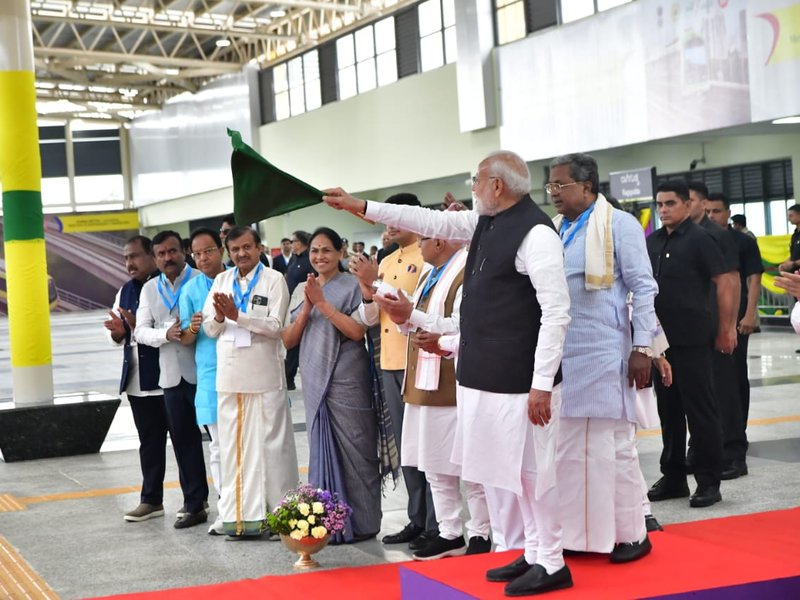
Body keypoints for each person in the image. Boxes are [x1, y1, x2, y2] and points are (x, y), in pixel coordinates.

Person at [323, 150, 574, 596]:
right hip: (484, 376)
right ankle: (533, 549)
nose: (471, 187)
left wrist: (541, 384)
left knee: (534, 471)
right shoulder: (485, 222)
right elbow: (427, 221)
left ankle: (552, 560)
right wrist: (361, 206)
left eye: (476, 180)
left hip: (520, 382)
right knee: (510, 474)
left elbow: (556, 314)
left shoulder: (537, 235)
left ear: (497, 186)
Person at [548, 153, 657, 562]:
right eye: (551, 187)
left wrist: (642, 346)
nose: (554, 193)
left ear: (587, 186)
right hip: (566, 354)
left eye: (561, 185)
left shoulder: (620, 225)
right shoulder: (557, 228)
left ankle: (632, 534)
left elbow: (644, 288)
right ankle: (581, 536)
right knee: (573, 451)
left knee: (613, 448)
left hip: (605, 350)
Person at [373, 239, 492, 560]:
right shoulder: (430, 274)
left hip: (454, 377)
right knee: (434, 462)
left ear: (439, 241)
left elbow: (463, 325)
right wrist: (402, 317)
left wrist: (415, 317)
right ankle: (450, 531)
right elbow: (415, 321)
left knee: (470, 463)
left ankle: (480, 531)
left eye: (423, 239)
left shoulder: (466, 271)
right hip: (423, 376)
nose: (419, 245)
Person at [347, 193, 437, 551]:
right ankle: (416, 518)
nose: (390, 224)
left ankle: (437, 521)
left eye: (397, 217)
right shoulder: (385, 260)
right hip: (389, 361)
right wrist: (367, 288)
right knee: (407, 446)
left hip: (421, 361)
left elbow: (413, 307)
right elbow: (371, 317)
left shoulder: (428, 256)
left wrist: (376, 283)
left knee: (429, 444)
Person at [282, 227, 382, 543]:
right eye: (314, 251)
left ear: (340, 252)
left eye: (326, 250)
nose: (320, 256)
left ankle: (364, 522)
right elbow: (288, 340)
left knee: (358, 448)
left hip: (348, 378)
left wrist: (323, 303)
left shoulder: (354, 285)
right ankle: (329, 522)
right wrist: (309, 306)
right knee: (321, 448)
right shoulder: (301, 290)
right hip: (313, 379)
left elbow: (355, 331)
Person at [203, 226, 298, 538]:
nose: (241, 254)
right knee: (233, 448)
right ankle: (238, 518)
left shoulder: (274, 280)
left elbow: (275, 326)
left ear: (259, 248)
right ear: (228, 252)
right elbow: (210, 329)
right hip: (230, 375)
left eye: (247, 247)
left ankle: (280, 516)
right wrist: (220, 318)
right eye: (235, 249)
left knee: (273, 447)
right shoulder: (221, 280)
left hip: (265, 373)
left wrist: (237, 314)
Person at [646, 180, 736, 509]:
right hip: (661, 342)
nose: (664, 210)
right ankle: (673, 476)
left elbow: (726, 281)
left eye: (670, 203)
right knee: (668, 412)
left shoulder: (702, 239)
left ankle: (709, 480)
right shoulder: (653, 241)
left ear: (686, 205)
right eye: (659, 204)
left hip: (694, 339)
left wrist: (727, 327)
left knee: (701, 411)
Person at [134, 231, 209, 528]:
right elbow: (140, 330)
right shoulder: (150, 290)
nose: (168, 258)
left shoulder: (200, 279)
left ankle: (235, 501)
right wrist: (165, 335)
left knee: (221, 440)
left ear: (184, 251)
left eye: (173, 251)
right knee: (184, 441)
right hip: (172, 378)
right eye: (162, 254)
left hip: (206, 370)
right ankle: (195, 502)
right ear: (155, 258)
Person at [104, 235, 168, 522]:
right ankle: (151, 500)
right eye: (126, 258)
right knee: (149, 442)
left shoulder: (165, 286)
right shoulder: (125, 291)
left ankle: (197, 501)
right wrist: (118, 332)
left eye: (135, 256)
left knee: (184, 442)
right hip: (137, 381)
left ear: (152, 257)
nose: (130, 263)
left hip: (168, 376)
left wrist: (138, 325)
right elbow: (114, 333)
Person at [705, 192, 764, 479]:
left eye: (718, 211)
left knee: (735, 376)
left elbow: (753, 278)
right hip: (712, 320)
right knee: (719, 379)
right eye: (709, 211)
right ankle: (725, 432)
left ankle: (737, 432)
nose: (713, 215)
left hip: (738, 318)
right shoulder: (706, 239)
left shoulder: (741, 241)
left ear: (728, 213)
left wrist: (750, 313)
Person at [686, 182, 741, 477]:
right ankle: (700, 451)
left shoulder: (717, 235)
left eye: (691, 201)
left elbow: (732, 281)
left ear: (701, 203)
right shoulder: (679, 237)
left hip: (717, 322)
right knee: (698, 394)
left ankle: (734, 453)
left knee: (724, 390)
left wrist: (728, 326)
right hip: (695, 327)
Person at [178, 228, 226, 534]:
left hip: (246, 370)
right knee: (219, 447)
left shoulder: (237, 280)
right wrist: (193, 328)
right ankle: (228, 508)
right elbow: (184, 338)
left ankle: (256, 504)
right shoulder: (192, 289)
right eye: (197, 254)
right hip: (209, 374)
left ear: (221, 250)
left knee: (249, 445)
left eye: (208, 251)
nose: (203, 258)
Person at [284, 230, 314, 391]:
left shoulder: (310, 258)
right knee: (292, 342)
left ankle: (291, 375)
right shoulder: (294, 259)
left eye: (293, 241)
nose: (291, 244)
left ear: (302, 242)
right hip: (292, 304)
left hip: (306, 304)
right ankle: (289, 377)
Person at [779, 205, 800, 273]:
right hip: (795, 274)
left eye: (791, 216)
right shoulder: (795, 235)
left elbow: (794, 262)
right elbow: (794, 255)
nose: (788, 219)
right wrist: (785, 264)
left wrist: (794, 263)